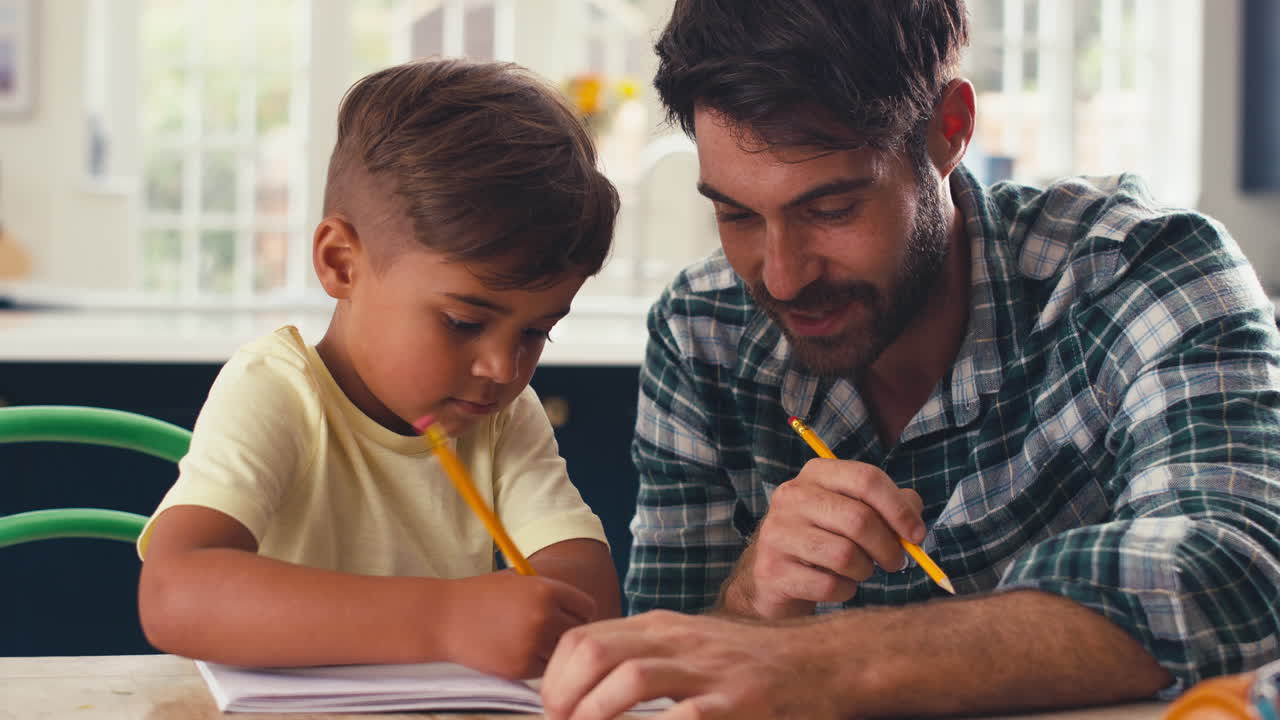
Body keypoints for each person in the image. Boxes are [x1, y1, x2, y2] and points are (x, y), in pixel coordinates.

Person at [540, 1, 1280, 718]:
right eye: (736, 214)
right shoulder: (702, 331)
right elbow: (664, 663)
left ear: (949, 130)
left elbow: (1234, 571)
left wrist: (820, 664)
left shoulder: (1142, 270)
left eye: (830, 209)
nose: (782, 276)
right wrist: (752, 603)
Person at [137, 57, 622, 680]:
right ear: (342, 262)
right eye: (462, 322)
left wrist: (547, 614)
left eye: (537, 331)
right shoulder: (278, 390)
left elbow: (586, 599)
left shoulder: (501, 418)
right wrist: (445, 621)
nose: (504, 367)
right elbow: (175, 596)